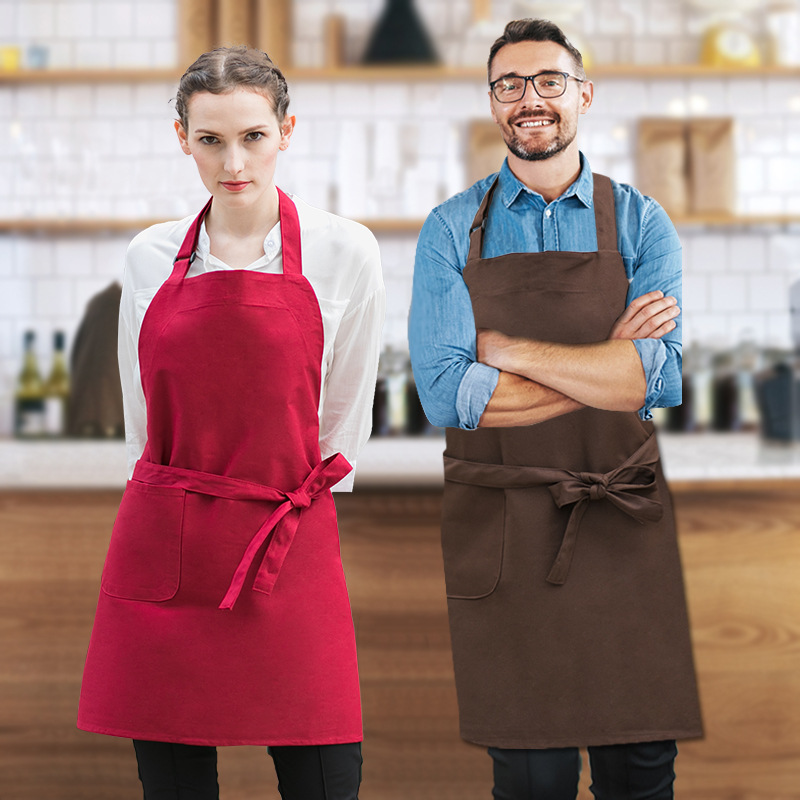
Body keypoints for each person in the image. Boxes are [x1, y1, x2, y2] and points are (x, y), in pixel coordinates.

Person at [77, 46, 384, 800]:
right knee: (174, 784)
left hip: (288, 532)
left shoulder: (346, 250)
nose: (232, 161)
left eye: (251, 136)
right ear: (182, 138)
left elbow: (345, 416)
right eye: (210, 140)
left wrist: (287, 502)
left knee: (325, 779)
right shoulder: (150, 256)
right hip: (169, 542)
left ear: (286, 131)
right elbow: (141, 422)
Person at [408, 19, 702, 800]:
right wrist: (607, 356)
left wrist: (508, 350)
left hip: (620, 517)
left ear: (583, 95)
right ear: (493, 103)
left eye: (547, 82)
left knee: (640, 766)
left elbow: (661, 375)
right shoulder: (450, 230)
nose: (528, 100)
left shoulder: (641, 221)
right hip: (505, 532)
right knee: (530, 771)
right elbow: (447, 394)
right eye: (509, 85)